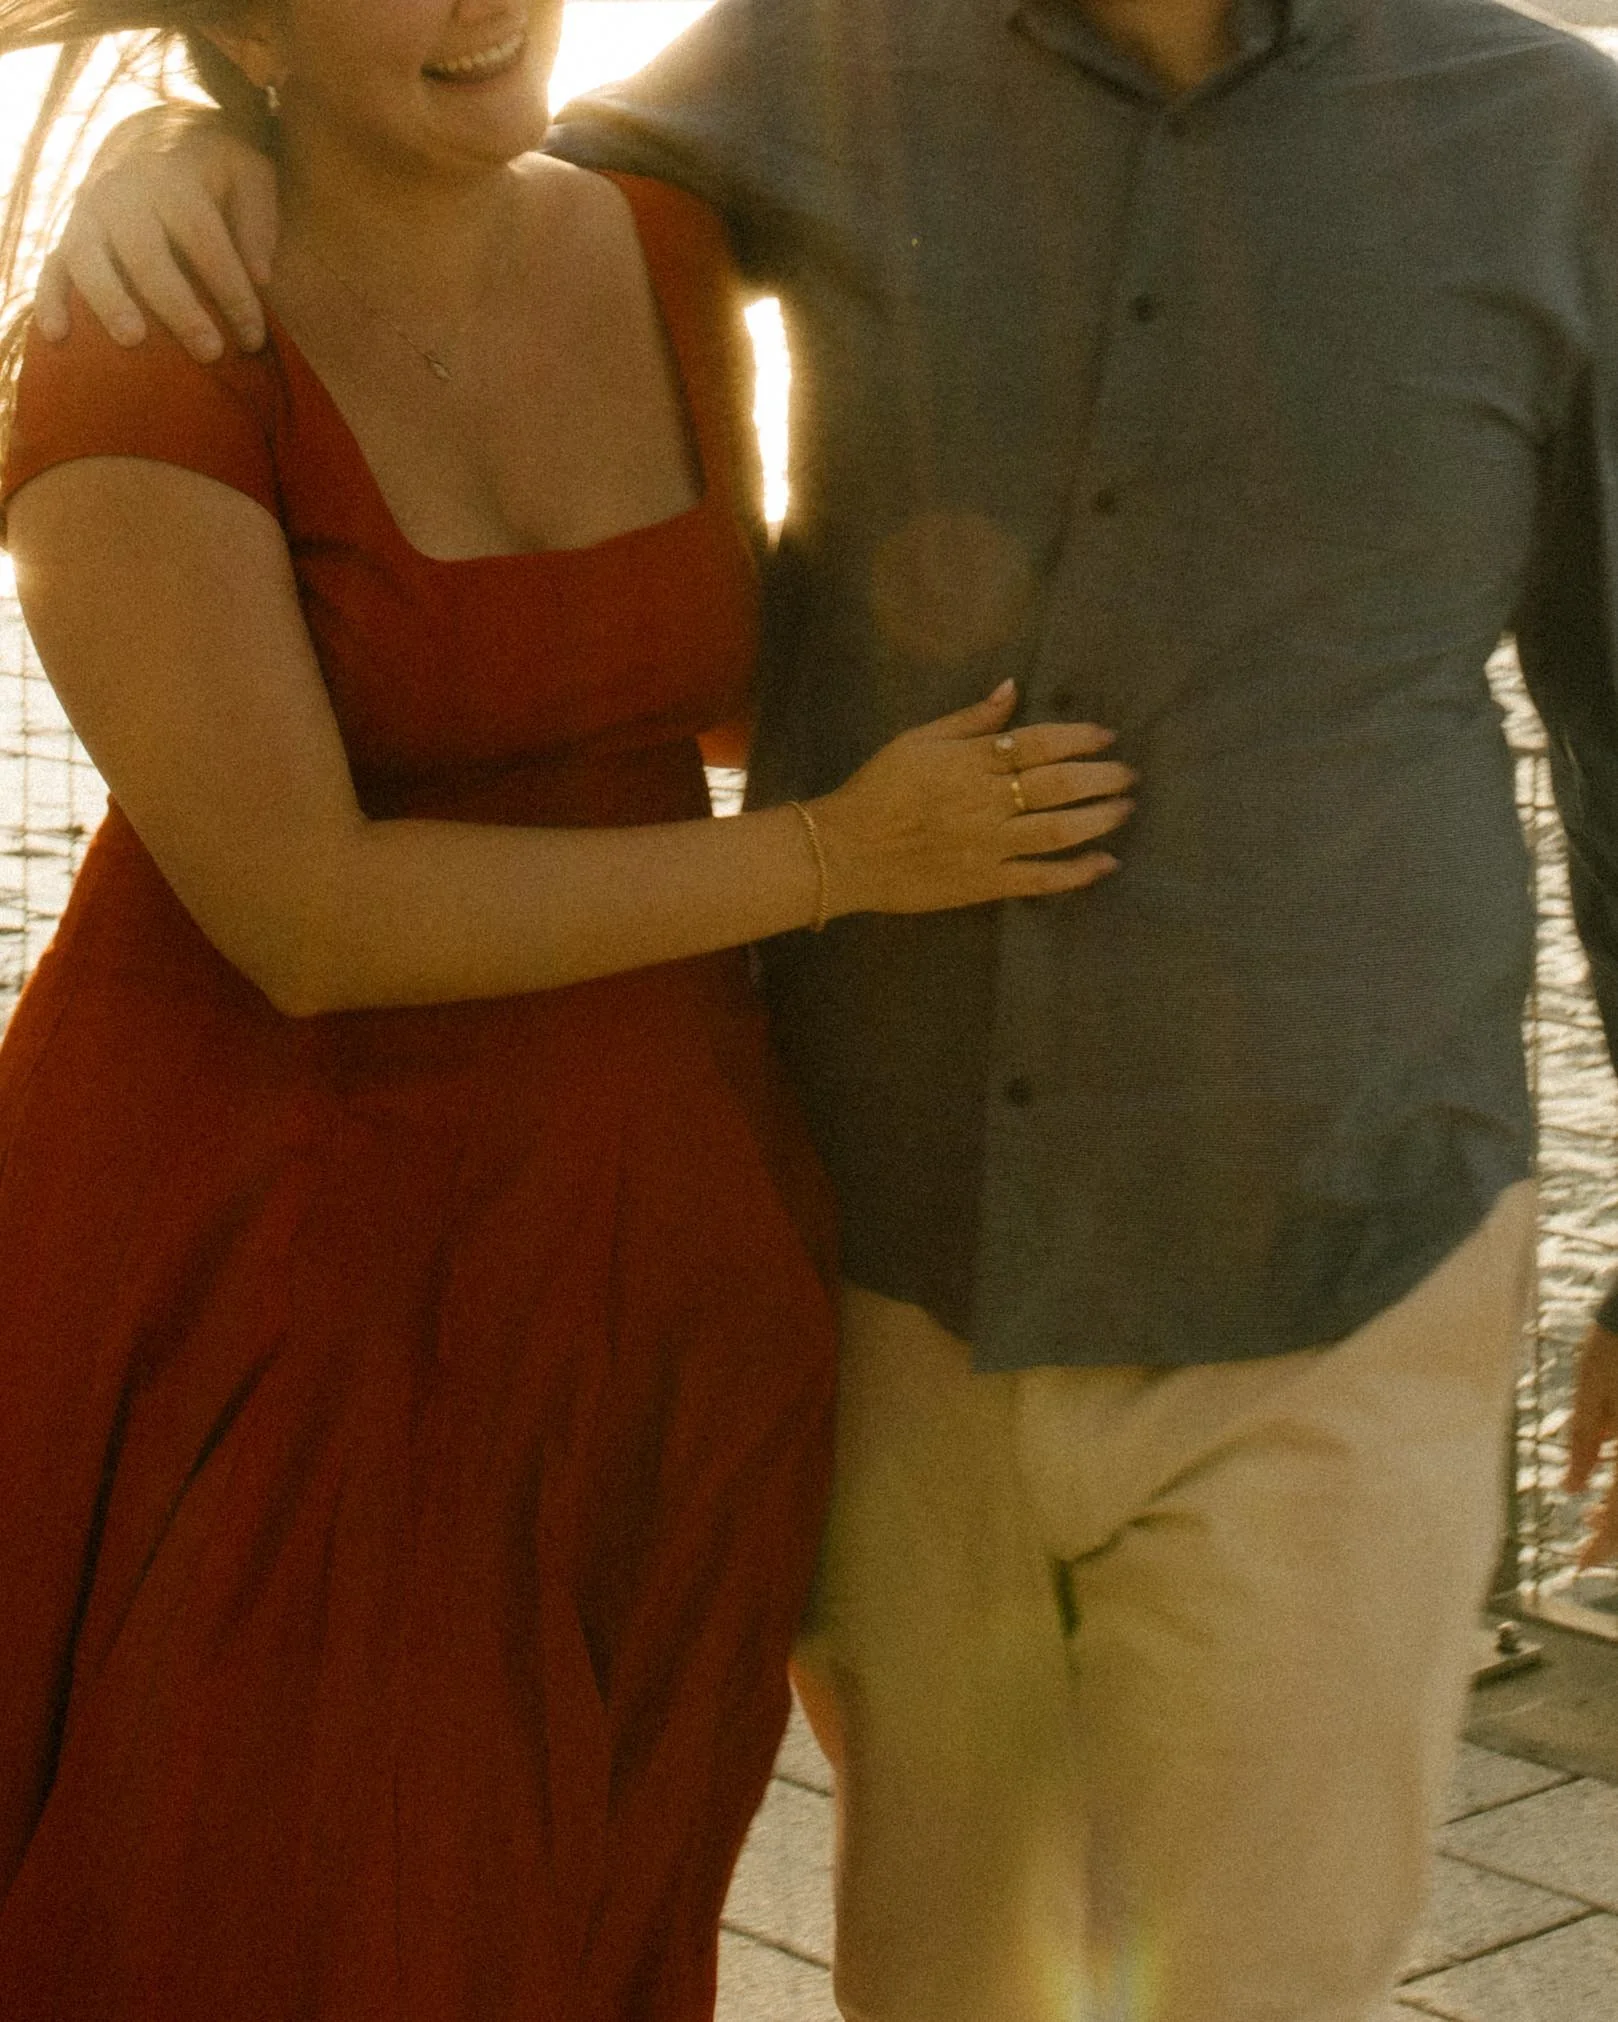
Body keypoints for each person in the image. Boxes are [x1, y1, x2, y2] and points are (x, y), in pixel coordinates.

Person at [37, 0, 1618, 2016]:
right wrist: (180, 147)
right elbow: (445, 164)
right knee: (836, 1969)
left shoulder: (1547, 139)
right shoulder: (814, 69)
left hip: (1240, 1247)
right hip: (666, 1265)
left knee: (1206, 1976)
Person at [0, 3, 1139, 2017]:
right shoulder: (131, 352)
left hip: (672, 1257)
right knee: (312, 1922)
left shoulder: (659, 241)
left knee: (593, 1918)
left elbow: (715, 674)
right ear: (250, 20)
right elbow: (303, 916)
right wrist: (841, 858)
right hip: (291, 1267)